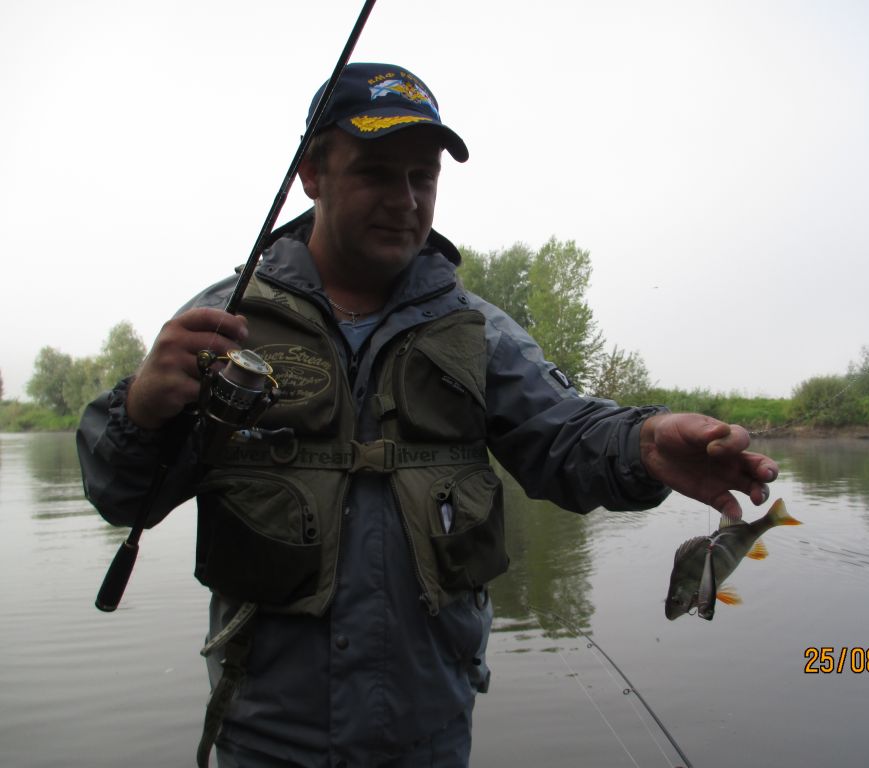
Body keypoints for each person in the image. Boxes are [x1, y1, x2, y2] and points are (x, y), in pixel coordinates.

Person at [77, 62, 778, 768]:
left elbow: (565, 434)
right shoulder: (223, 322)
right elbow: (123, 496)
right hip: (265, 740)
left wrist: (643, 440)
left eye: (424, 177)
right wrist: (140, 410)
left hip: (428, 738)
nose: (406, 200)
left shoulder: (477, 330)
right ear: (312, 173)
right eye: (377, 173)